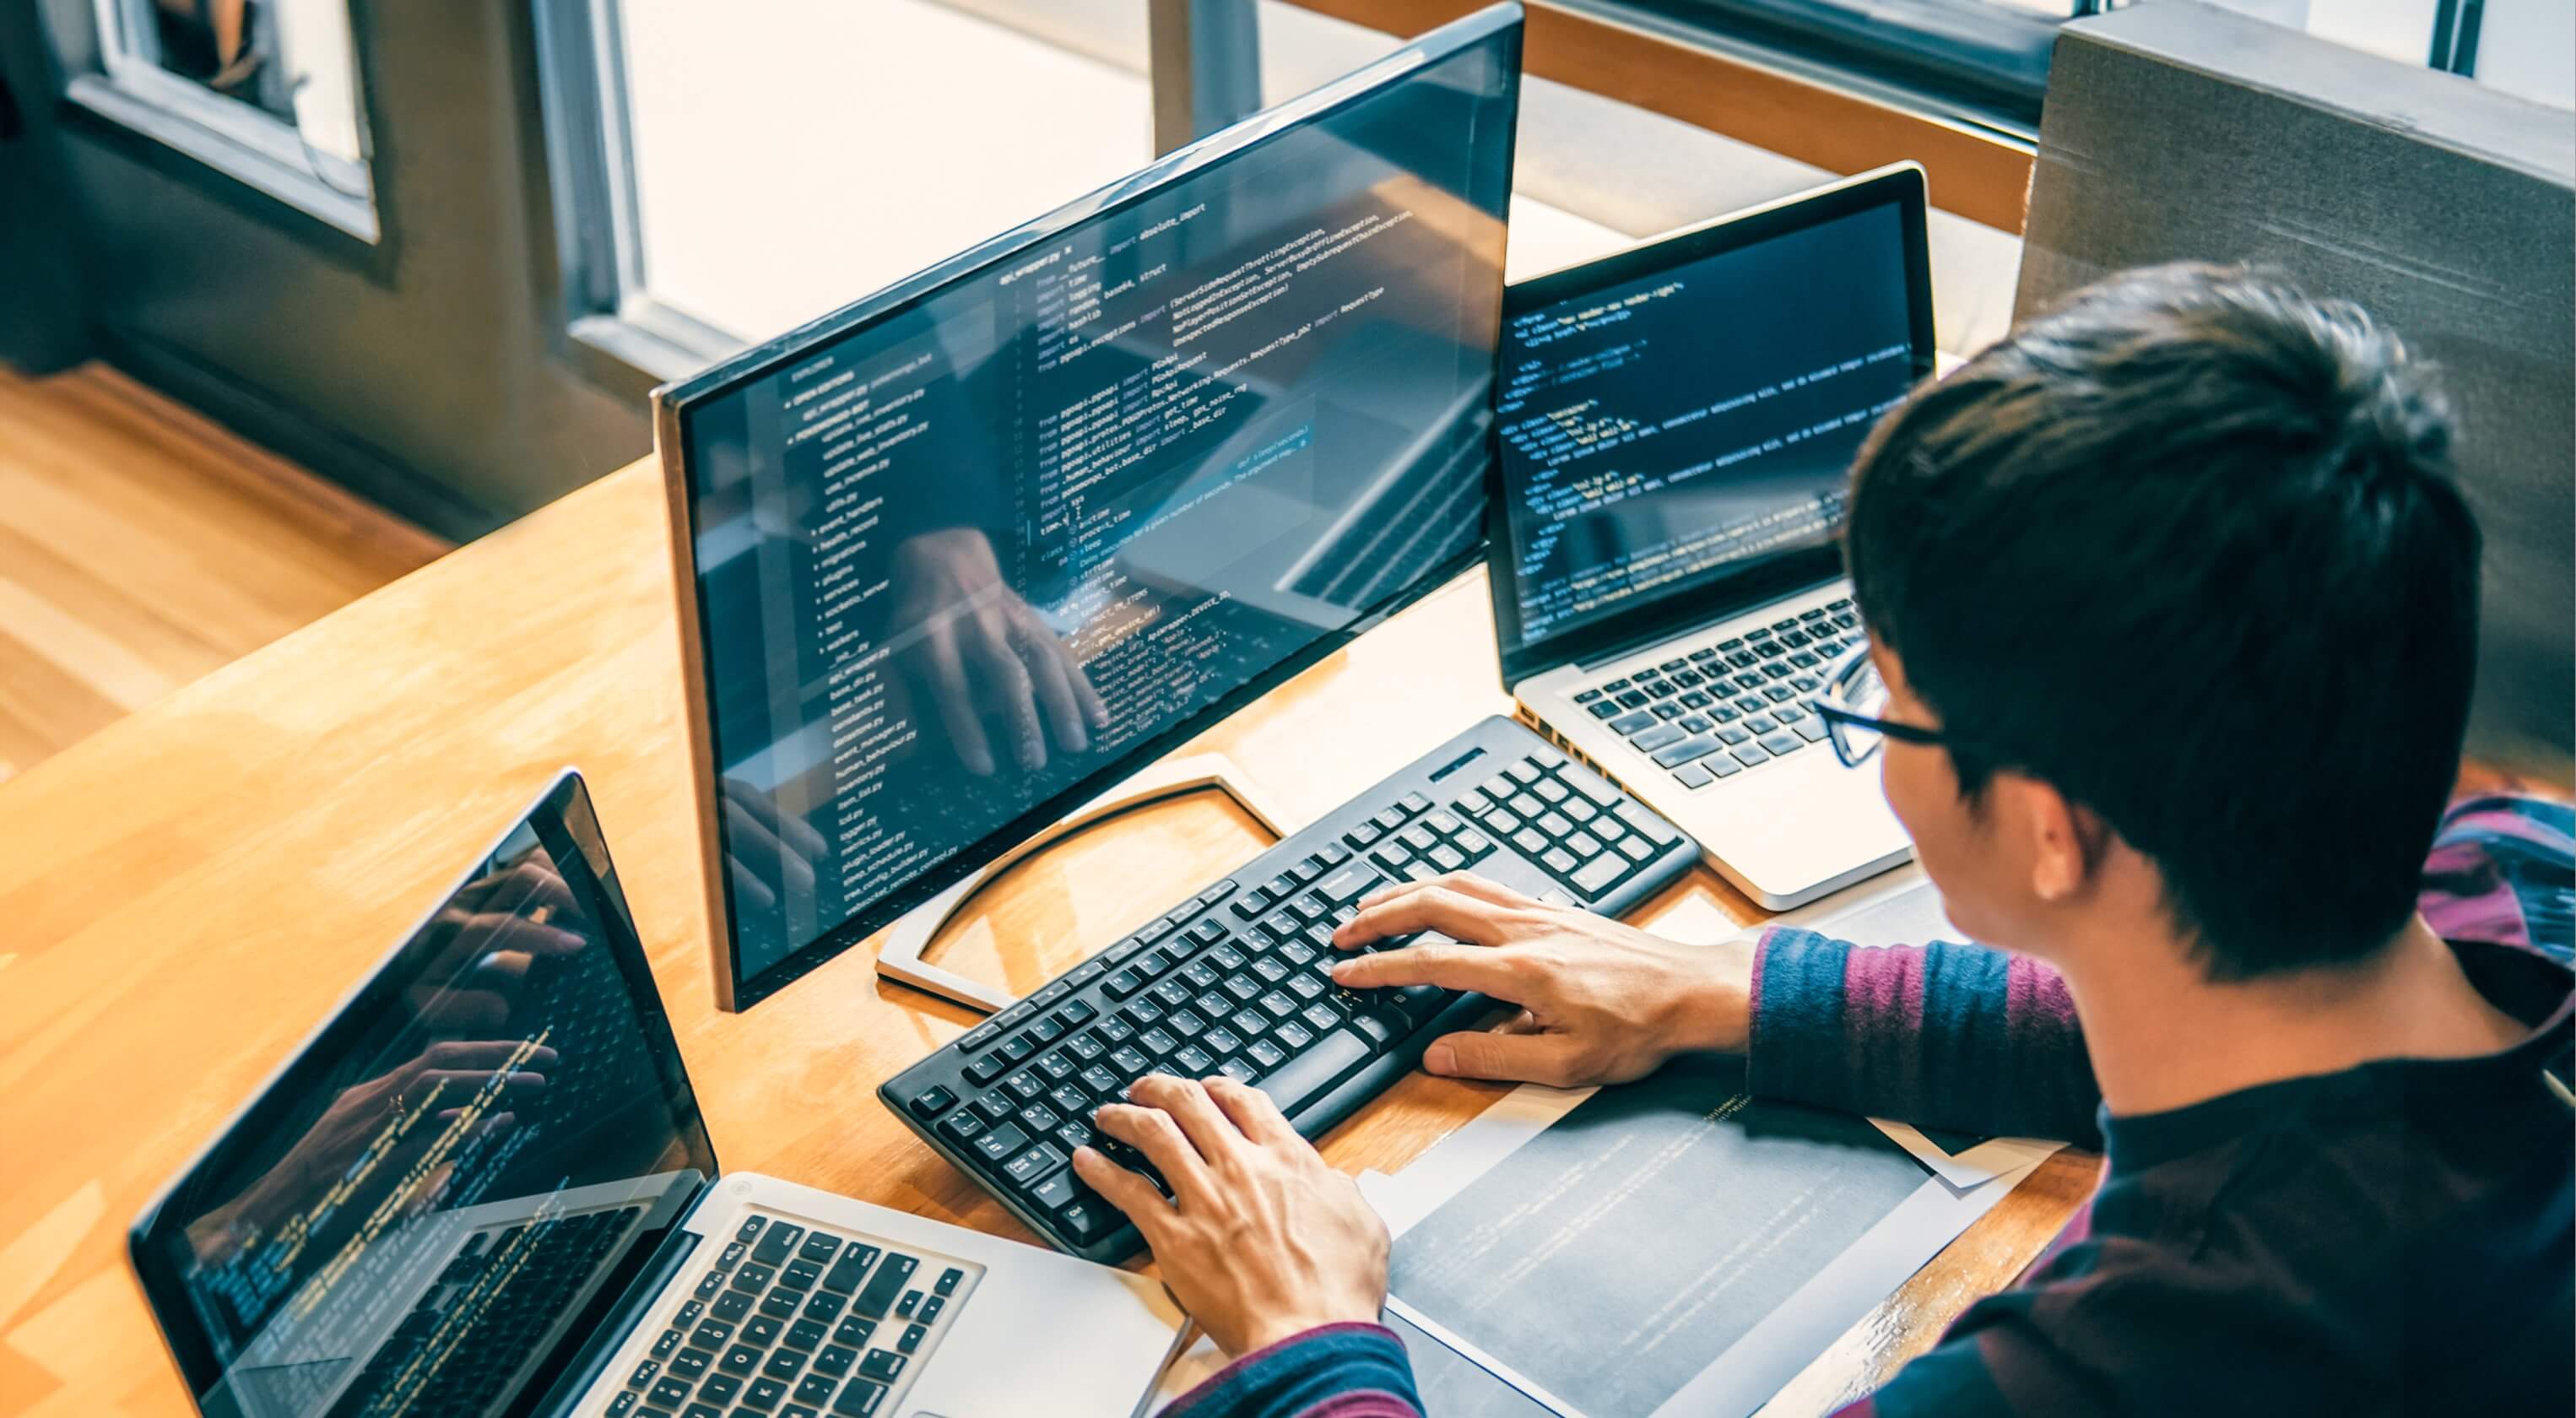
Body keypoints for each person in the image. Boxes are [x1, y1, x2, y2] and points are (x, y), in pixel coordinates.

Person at [1065, 265, 2576, 1415]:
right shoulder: (2515, 877)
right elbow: (2231, 1026)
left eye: (1888, 702)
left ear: (2053, 831)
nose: (1876, 740)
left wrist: (1306, 1338)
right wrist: (1734, 993)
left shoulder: (2168, 1345)